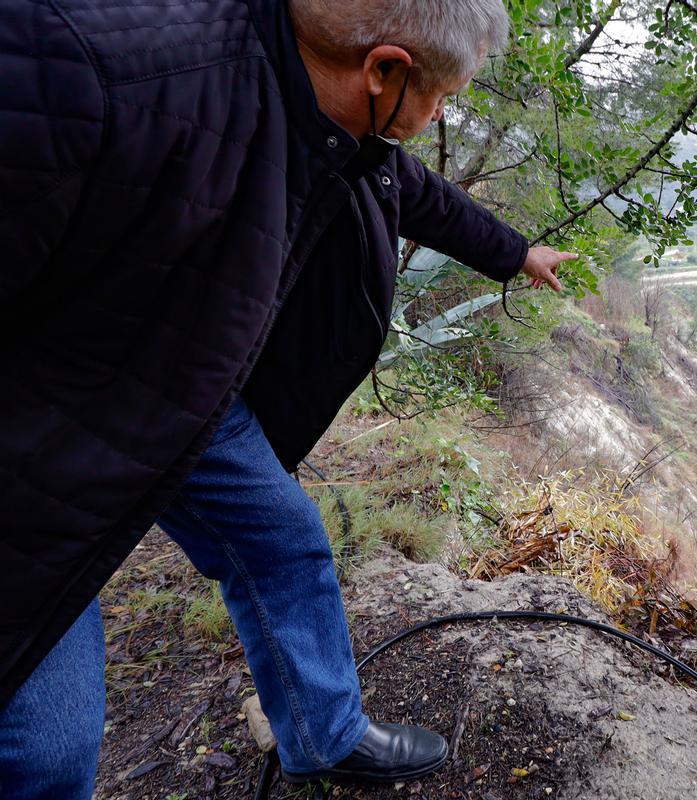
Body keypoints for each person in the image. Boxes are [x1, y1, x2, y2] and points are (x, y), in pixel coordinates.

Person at [0, 0, 575, 797]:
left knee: (283, 538)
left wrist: (516, 254)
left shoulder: (328, 113)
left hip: (181, 385)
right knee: (43, 752)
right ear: (383, 70)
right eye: (443, 95)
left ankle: (322, 734)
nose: (444, 114)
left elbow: (415, 192)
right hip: (36, 449)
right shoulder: (89, 64)